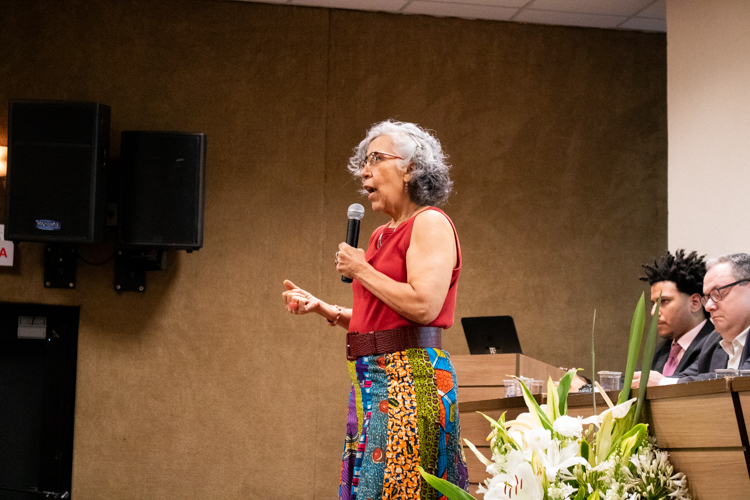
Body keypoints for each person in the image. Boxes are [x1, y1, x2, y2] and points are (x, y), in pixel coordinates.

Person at [282, 120, 468, 499]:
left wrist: (361, 269)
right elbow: (385, 319)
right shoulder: (381, 234)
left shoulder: (429, 222)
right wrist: (324, 309)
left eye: (376, 159)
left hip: (410, 386)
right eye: (363, 162)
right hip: (370, 383)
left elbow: (423, 306)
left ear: (411, 168)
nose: (364, 171)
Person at [634, 253, 750, 386]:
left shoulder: (707, 341)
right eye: (707, 298)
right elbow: (686, 377)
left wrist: (662, 382)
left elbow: (743, 379)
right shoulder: (714, 341)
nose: (709, 307)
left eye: (718, 293)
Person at [630, 250, 714, 387]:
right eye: (653, 304)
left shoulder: (716, 344)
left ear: (695, 303)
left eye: (664, 301)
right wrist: (586, 384)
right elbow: (632, 382)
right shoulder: (663, 348)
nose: (653, 312)